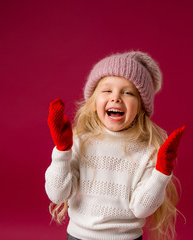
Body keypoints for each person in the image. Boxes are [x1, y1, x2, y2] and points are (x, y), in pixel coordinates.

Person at [45, 51, 185, 240]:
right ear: (94, 102)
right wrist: (62, 151)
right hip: (79, 237)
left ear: (141, 107)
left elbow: (141, 209)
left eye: (128, 92)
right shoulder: (79, 142)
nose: (116, 98)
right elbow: (57, 194)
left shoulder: (147, 152)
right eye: (107, 90)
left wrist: (161, 173)